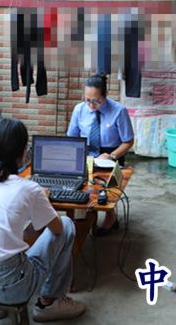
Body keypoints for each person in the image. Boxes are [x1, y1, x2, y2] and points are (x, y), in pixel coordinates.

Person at [0, 118, 86, 322]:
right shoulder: (29, 189)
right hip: (14, 288)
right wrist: (43, 201)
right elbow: (57, 230)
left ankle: (8, 303)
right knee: (67, 225)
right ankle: (49, 303)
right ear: (24, 152)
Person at [66, 73, 134, 236]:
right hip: (86, 151)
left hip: (111, 154)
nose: (91, 105)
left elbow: (128, 141)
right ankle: (82, 219)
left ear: (105, 95)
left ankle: (110, 217)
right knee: (84, 188)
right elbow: (72, 138)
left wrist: (112, 156)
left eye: (96, 101)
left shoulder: (118, 111)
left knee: (107, 191)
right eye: (87, 100)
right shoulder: (79, 109)